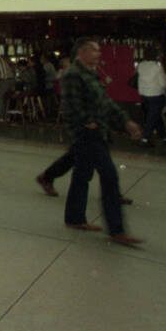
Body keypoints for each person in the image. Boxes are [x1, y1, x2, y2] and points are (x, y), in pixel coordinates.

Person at [60, 37, 143, 246]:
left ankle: (74, 218)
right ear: (81, 52)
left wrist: (126, 122)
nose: (98, 54)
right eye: (93, 50)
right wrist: (85, 122)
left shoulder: (91, 74)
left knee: (82, 175)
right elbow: (69, 105)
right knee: (109, 176)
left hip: (98, 132)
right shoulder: (73, 74)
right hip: (87, 134)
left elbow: (105, 102)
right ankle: (117, 229)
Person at [135, 47, 166, 145]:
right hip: (156, 95)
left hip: (143, 94)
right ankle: (145, 138)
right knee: (152, 117)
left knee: (155, 115)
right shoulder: (157, 67)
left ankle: (164, 136)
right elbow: (163, 84)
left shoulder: (140, 65)